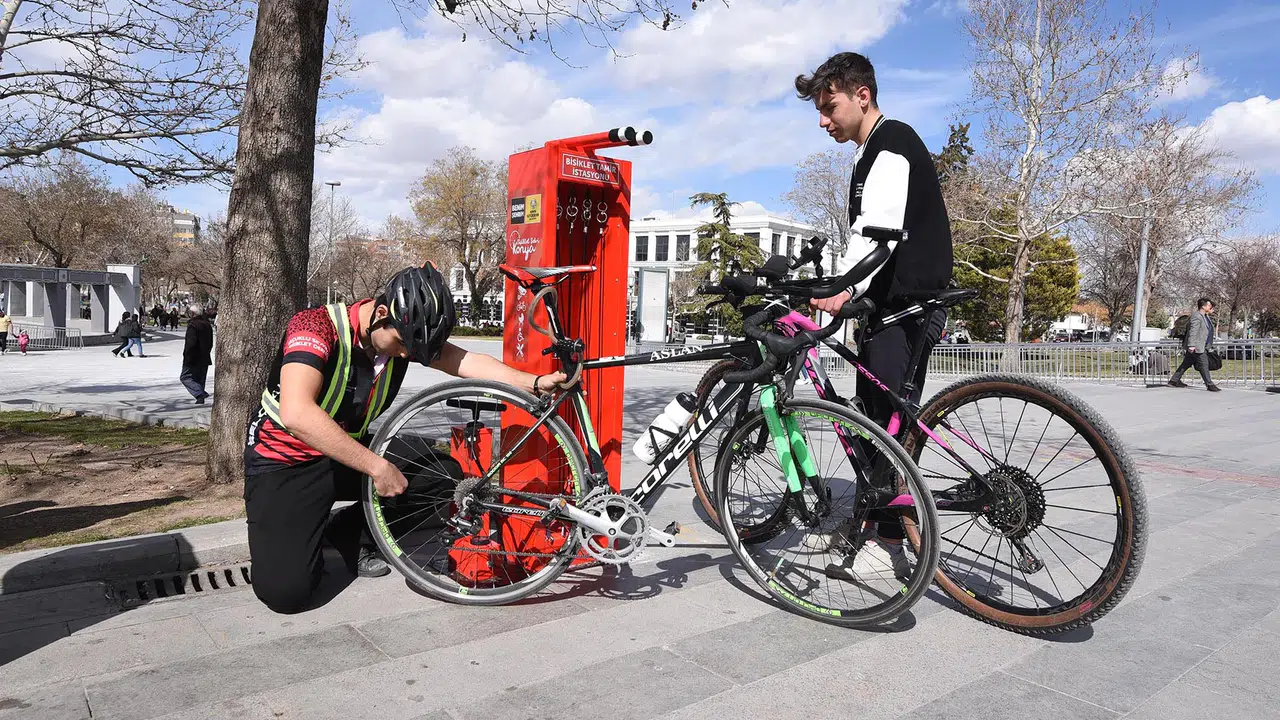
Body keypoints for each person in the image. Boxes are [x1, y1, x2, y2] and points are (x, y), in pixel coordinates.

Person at [244, 263, 571, 615]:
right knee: (288, 594)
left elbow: (466, 361)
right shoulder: (314, 326)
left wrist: (533, 382)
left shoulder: (400, 337)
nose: (405, 354)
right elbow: (297, 413)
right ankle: (303, 526)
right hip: (285, 462)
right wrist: (376, 466)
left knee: (443, 474)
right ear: (381, 314)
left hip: (343, 454)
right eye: (402, 344)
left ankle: (350, 533)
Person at [796, 52, 954, 582]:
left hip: (907, 309)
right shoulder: (871, 151)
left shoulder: (891, 144)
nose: (823, 121)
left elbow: (876, 235)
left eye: (829, 107)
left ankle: (889, 539)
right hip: (892, 309)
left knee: (886, 425)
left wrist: (842, 289)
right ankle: (875, 522)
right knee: (875, 417)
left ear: (861, 96)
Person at [1168, 297, 1220, 392]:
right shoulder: (1197, 316)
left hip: (1202, 345)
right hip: (1197, 346)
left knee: (1186, 363)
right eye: (1209, 305)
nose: (1211, 307)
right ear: (1203, 306)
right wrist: (1191, 345)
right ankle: (1209, 384)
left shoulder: (1205, 316)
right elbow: (1193, 331)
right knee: (1204, 364)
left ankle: (1174, 381)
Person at [181, 305, 216, 404]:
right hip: (204, 356)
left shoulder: (193, 325)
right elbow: (210, 342)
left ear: (193, 313)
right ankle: (200, 398)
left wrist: (187, 355)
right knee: (200, 378)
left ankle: (200, 393)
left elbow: (190, 343)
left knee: (185, 377)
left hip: (193, 357)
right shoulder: (207, 324)